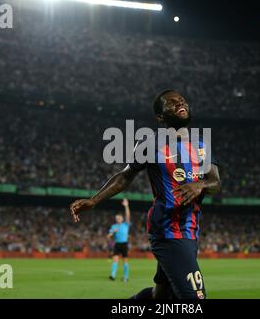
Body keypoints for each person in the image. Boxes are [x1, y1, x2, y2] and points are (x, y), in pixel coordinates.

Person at [70, 90, 221, 299]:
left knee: (161, 296)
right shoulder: (152, 144)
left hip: (190, 231)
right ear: (160, 117)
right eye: (171, 103)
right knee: (194, 299)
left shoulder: (202, 145)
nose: (179, 102)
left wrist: (201, 185)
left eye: (181, 99)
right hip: (167, 230)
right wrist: (94, 200)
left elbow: (215, 183)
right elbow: (125, 176)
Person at [107, 198, 131, 282]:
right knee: (115, 260)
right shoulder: (114, 227)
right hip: (117, 244)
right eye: (116, 218)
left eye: (119, 218)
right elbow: (108, 236)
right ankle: (113, 276)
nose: (117, 219)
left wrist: (126, 206)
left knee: (125, 261)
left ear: (122, 218)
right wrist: (113, 232)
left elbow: (128, 215)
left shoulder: (126, 224)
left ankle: (126, 277)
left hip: (124, 244)